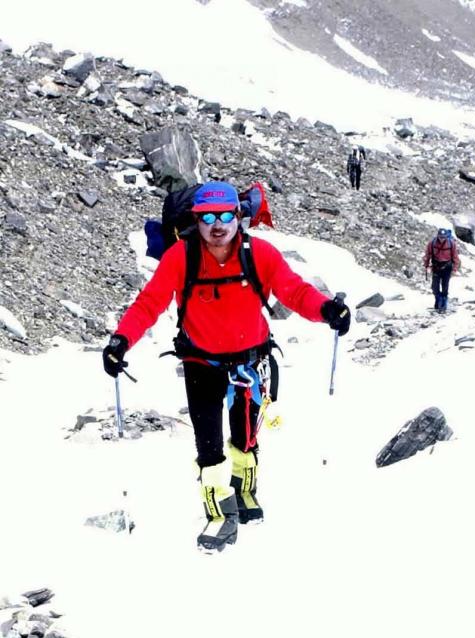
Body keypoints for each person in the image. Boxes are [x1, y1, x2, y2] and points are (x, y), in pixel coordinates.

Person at [102, 181, 351, 552]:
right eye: (207, 218)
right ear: (196, 220)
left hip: (251, 363)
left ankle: (244, 491)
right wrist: (121, 340)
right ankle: (220, 514)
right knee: (209, 445)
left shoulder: (260, 254)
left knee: (246, 436)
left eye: (224, 216)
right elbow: (149, 303)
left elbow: (294, 291)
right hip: (201, 362)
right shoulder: (181, 258)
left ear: (238, 217)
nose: (217, 226)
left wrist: (327, 309)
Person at [423, 228, 460, 312]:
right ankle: (438, 299)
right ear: (438, 236)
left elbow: (455, 257)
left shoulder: (451, 244)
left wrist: (454, 269)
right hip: (436, 266)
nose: (442, 239)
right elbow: (427, 255)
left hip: (447, 267)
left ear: (446, 237)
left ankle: (443, 304)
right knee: (434, 287)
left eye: (443, 237)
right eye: (440, 237)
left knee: (445, 286)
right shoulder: (432, 243)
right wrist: (427, 265)